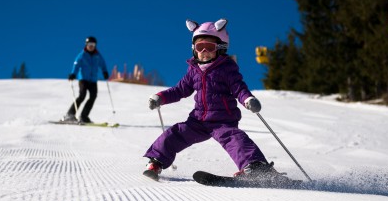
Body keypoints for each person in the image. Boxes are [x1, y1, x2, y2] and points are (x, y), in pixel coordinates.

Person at [142, 18, 282, 181]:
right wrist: (160, 97)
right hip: (198, 121)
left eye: (210, 47)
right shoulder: (193, 71)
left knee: (235, 139)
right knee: (174, 134)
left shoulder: (226, 68)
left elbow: (239, 88)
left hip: (223, 120)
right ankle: (156, 162)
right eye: (200, 47)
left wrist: (248, 99)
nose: (204, 51)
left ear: (221, 48)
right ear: (194, 49)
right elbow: (180, 90)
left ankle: (256, 167)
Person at [62, 36, 109, 123]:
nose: (91, 46)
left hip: (93, 80)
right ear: (86, 45)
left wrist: (105, 71)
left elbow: (103, 64)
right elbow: (76, 65)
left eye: (93, 44)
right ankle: (70, 114)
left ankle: (84, 116)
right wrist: (73, 74)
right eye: (89, 44)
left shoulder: (97, 55)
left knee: (93, 97)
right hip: (83, 79)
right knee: (82, 96)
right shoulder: (82, 55)